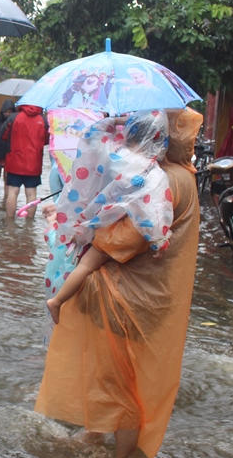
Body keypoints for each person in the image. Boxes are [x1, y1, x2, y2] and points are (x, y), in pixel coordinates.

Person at [33, 107, 203, 458]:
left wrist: (89, 232)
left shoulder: (163, 182)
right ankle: (97, 432)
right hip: (150, 293)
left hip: (127, 295)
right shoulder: (178, 177)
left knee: (118, 380)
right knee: (120, 372)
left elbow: (126, 239)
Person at [42, 110, 173, 325]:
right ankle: (56, 302)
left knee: (82, 265)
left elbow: (93, 134)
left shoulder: (116, 156)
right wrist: (158, 241)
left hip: (96, 224)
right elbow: (156, 212)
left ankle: (58, 300)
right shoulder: (155, 174)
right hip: (117, 233)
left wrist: (116, 121)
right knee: (87, 266)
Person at [3, 102, 48, 219]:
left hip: (15, 162)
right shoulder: (43, 119)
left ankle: (9, 222)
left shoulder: (14, 117)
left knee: (12, 192)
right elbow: (47, 139)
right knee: (31, 194)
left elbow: (3, 135)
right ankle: (29, 224)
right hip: (34, 163)